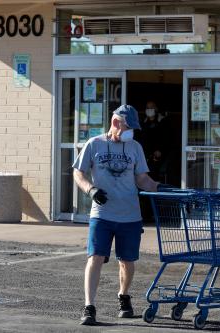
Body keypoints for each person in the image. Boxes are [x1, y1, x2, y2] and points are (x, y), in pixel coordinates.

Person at [73, 104, 164, 326]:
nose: (131, 131)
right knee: (95, 258)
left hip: (130, 216)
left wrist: (161, 188)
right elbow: (78, 172)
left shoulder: (135, 147)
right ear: (116, 123)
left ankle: (123, 297)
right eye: (128, 127)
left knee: (127, 261)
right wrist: (91, 190)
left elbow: (142, 179)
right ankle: (89, 306)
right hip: (102, 215)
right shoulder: (94, 144)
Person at [138, 101, 168, 182]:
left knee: (154, 174)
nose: (149, 110)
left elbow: (166, 138)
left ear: (156, 108)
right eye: (148, 108)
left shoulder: (162, 121)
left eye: (151, 107)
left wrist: (160, 150)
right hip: (145, 154)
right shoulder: (143, 122)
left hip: (158, 155)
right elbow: (140, 137)